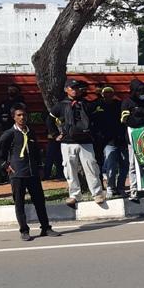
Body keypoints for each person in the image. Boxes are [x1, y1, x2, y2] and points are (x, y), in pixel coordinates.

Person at [0, 104, 61, 241]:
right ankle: (24, 230)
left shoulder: (30, 132)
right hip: (17, 174)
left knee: (40, 201)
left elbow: (36, 152)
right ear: (13, 117)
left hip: (32, 173)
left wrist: (39, 167)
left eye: (24, 115)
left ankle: (45, 227)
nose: (22, 117)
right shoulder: (9, 133)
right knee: (19, 203)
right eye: (19, 115)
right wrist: (5, 165)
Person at [50, 78, 106, 208]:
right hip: (68, 142)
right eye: (71, 88)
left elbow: (96, 118)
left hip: (86, 142)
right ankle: (74, 195)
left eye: (76, 88)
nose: (74, 90)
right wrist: (55, 135)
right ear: (66, 89)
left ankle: (97, 193)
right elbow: (49, 119)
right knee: (70, 169)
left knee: (91, 167)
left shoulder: (86, 103)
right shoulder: (61, 105)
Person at [121, 79, 144, 200]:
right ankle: (133, 190)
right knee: (132, 165)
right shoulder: (126, 102)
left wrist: (138, 112)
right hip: (132, 139)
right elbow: (128, 120)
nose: (142, 94)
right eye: (139, 91)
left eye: (143, 91)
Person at [95, 86, 129, 197]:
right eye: (106, 93)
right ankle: (110, 187)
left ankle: (121, 187)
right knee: (111, 166)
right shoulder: (98, 105)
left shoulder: (119, 104)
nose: (108, 95)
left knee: (124, 166)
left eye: (110, 92)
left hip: (122, 141)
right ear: (102, 94)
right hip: (108, 142)